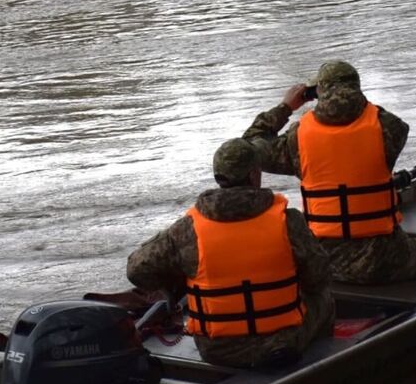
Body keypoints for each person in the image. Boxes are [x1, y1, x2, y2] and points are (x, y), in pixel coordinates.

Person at [242, 60, 416, 285]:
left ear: (318, 92)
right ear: (357, 88)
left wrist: (286, 107)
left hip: (327, 262)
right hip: (387, 258)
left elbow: (248, 147)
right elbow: (376, 123)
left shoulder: (297, 139)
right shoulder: (388, 126)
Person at [126, 138, 334, 368]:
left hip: (217, 350)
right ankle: (326, 366)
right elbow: (319, 276)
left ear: (219, 177)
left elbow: (137, 271)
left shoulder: (188, 229)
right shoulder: (288, 220)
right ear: (254, 175)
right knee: (323, 297)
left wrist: (178, 283)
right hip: (281, 342)